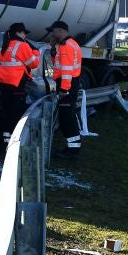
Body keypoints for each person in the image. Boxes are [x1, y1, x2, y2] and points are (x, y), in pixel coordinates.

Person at [0, 23, 40, 142]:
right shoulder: (22, 46)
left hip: (3, 82)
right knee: (16, 111)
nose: (25, 35)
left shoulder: (4, 45)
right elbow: (34, 64)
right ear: (19, 32)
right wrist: (36, 52)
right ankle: (14, 139)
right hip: (16, 83)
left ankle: (6, 136)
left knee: (7, 110)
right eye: (24, 33)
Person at [46, 20, 83, 158]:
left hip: (67, 85)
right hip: (69, 84)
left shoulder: (66, 46)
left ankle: (72, 151)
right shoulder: (68, 44)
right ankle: (73, 148)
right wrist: (53, 50)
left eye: (53, 31)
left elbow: (66, 71)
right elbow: (59, 64)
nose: (51, 34)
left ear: (60, 30)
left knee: (66, 119)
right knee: (68, 117)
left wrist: (63, 90)